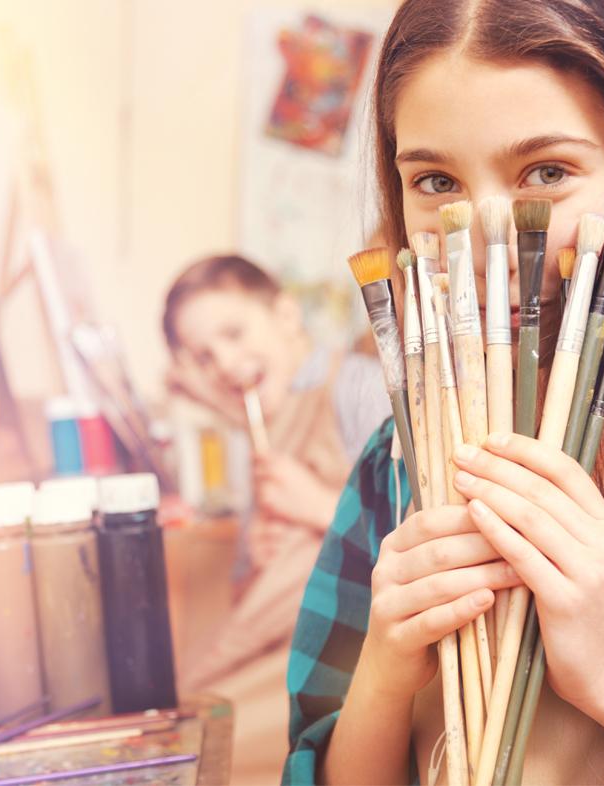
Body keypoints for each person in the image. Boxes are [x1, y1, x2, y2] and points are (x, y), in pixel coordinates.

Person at [284, 1, 604, 784]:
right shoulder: (397, 457)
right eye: (435, 180)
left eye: (547, 173)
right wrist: (388, 671)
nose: (489, 237)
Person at [161, 254, 390, 784]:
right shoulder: (254, 433)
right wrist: (259, 559)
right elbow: (248, 595)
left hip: (351, 653)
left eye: (235, 333)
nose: (224, 361)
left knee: (207, 751)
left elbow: (421, 519)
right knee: (188, 732)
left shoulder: (355, 388)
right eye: (204, 355)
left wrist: (315, 506)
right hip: (275, 647)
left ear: (287, 316)